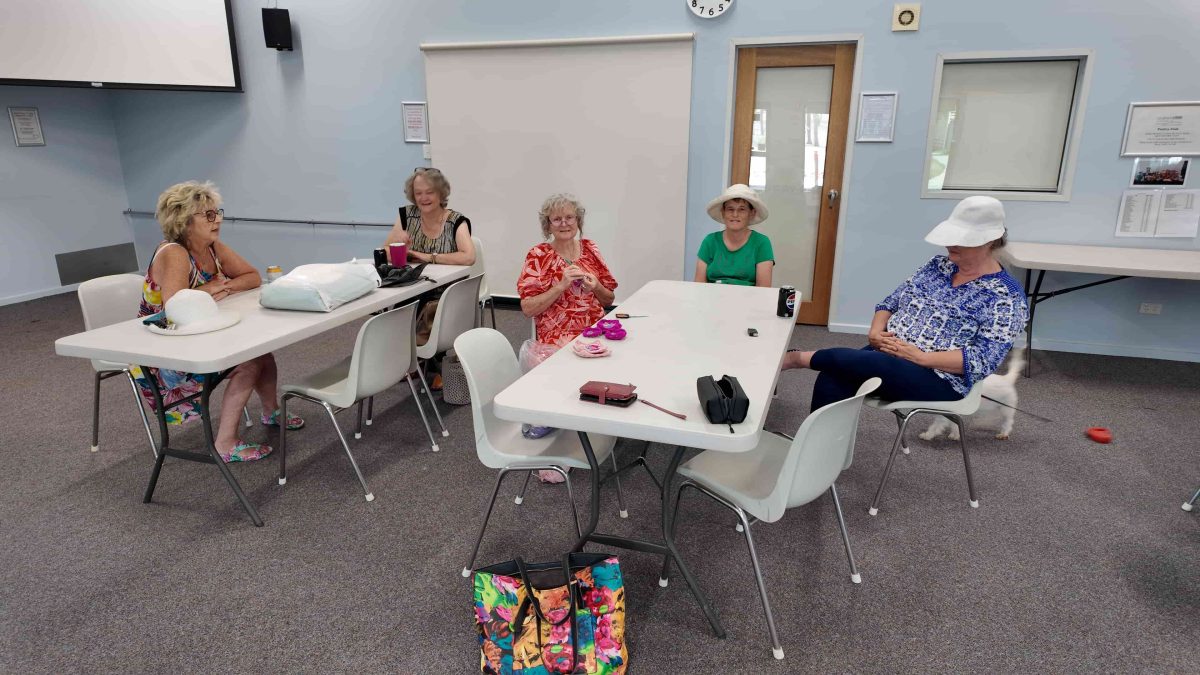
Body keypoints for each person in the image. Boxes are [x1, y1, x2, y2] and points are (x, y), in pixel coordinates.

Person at [782, 196, 1027, 412]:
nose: (951, 244)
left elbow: (982, 361)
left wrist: (921, 357)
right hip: (887, 354)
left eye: (961, 239)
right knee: (834, 373)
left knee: (842, 362)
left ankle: (795, 359)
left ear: (990, 242)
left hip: (938, 378)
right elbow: (891, 302)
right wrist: (876, 331)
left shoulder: (1006, 296)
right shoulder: (937, 266)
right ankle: (818, 457)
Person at [135, 181, 303, 463]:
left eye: (217, 213)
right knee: (248, 361)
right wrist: (212, 288)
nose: (218, 220)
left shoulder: (211, 246)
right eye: (208, 215)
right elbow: (176, 307)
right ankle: (225, 444)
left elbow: (251, 277)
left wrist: (221, 288)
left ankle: (271, 412)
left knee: (261, 351)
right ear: (185, 220)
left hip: (202, 332)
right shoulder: (174, 252)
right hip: (164, 353)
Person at [517, 194, 618, 479]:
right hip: (558, 335)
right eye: (557, 219)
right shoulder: (538, 255)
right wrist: (561, 285)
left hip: (595, 330)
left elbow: (609, 298)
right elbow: (527, 308)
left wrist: (596, 285)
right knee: (570, 371)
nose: (564, 223)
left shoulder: (590, 249)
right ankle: (563, 443)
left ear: (578, 221)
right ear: (547, 224)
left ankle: (593, 429)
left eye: (569, 217)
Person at [384, 167, 476, 389]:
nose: (423, 198)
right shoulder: (407, 216)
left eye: (429, 192)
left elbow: (469, 257)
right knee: (397, 308)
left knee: (431, 307)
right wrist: (400, 248)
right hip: (412, 284)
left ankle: (426, 362)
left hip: (445, 288)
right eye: (418, 193)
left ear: (441, 194)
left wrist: (424, 256)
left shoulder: (455, 221)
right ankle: (412, 361)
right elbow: (386, 250)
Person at [694, 183, 775, 287]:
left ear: (752, 213)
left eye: (742, 209)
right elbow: (698, 286)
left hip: (748, 301)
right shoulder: (710, 241)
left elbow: (764, 289)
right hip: (712, 300)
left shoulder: (762, 243)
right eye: (730, 209)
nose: (735, 215)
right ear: (723, 212)